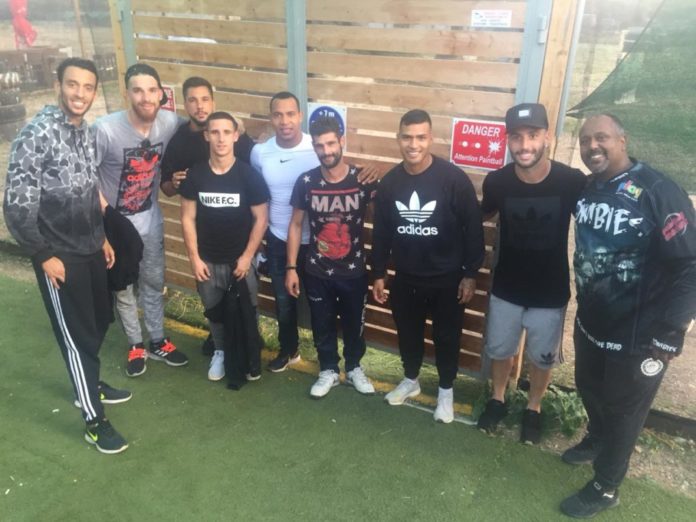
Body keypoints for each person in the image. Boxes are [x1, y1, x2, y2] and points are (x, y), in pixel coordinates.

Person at [559, 114, 696, 518]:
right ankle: (597, 438)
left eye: (601, 137)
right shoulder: (590, 188)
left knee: (624, 410)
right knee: (588, 387)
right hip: (592, 322)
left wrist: (672, 330)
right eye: (585, 140)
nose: (592, 146)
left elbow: (690, 265)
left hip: (641, 334)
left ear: (623, 140)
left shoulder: (658, 191)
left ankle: (606, 487)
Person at [4, 58, 130, 454]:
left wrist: (103, 237)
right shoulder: (35, 135)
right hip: (58, 257)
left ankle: (88, 383)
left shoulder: (87, 133)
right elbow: (16, 206)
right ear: (59, 85)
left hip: (91, 247)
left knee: (99, 322)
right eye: (73, 84)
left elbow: (90, 187)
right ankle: (93, 420)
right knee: (76, 339)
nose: (80, 93)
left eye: (88, 87)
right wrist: (43, 255)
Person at [476, 103, 587, 444]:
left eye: (533, 135)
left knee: (542, 358)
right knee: (500, 351)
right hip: (507, 288)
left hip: (550, 292)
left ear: (547, 137)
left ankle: (533, 408)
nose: (525, 145)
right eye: (517, 137)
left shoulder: (571, 181)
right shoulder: (497, 182)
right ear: (508, 140)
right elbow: (480, 216)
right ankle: (498, 399)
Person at [250, 91, 381, 372]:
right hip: (281, 238)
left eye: (290, 114)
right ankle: (291, 351)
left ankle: (350, 366)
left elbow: (342, 168)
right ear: (271, 118)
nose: (285, 120)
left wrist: (374, 168)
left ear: (300, 116)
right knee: (285, 303)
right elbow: (256, 194)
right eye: (278, 114)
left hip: (324, 246)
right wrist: (260, 240)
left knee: (333, 311)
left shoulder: (318, 144)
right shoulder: (261, 152)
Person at [372, 109, 485, 423]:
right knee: (408, 334)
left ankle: (446, 392)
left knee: (447, 338)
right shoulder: (390, 183)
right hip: (406, 277)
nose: (413, 144)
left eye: (420, 137)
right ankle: (411, 380)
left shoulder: (453, 179)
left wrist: (470, 273)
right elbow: (381, 232)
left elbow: (473, 228)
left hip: (447, 279)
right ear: (398, 138)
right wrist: (378, 272)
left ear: (431, 138)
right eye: (407, 137)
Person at [93, 63, 188, 377]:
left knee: (153, 281)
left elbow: (200, 127)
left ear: (161, 94)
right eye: (137, 90)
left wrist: (240, 130)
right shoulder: (105, 130)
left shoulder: (169, 122)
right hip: (116, 224)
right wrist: (106, 216)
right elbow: (84, 175)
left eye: (151, 90)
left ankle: (158, 339)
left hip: (150, 219)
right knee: (123, 288)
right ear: (127, 93)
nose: (145, 97)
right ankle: (135, 344)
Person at [159, 76, 257, 359]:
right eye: (192, 100)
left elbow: (255, 174)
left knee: (245, 301)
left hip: (238, 237)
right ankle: (219, 342)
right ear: (185, 103)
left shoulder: (234, 135)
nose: (199, 106)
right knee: (212, 299)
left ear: (213, 101)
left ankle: (247, 345)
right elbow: (167, 189)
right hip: (205, 240)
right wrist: (174, 182)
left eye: (204, 99)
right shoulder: (179, 142)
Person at [285, 116, 376, 398]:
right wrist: (291, 267)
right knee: (321, 324)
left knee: (354, 325)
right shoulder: (307, 181)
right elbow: (295, 224)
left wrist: (379, 169)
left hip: (354, 271)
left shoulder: (363, 179)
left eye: (331, 143)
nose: (326, 151)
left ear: (342, 141)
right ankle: (328, 369)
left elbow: (384, 217)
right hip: (317, 270)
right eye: (319, 145)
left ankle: (354, 367)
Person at [179, 111, 269, 383]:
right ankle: (220, 351)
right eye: (215, 132)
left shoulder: (248, 175)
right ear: (206, 136)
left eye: (226, 132)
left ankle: (250, 355)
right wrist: (194, 259)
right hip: (207, 260)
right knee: (214, 311)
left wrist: (247, 257)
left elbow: (261, 218)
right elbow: (187, 217)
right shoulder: (196, 174)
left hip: (240, 263)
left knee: (248, 310)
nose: (221, 138)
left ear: (235, 136)